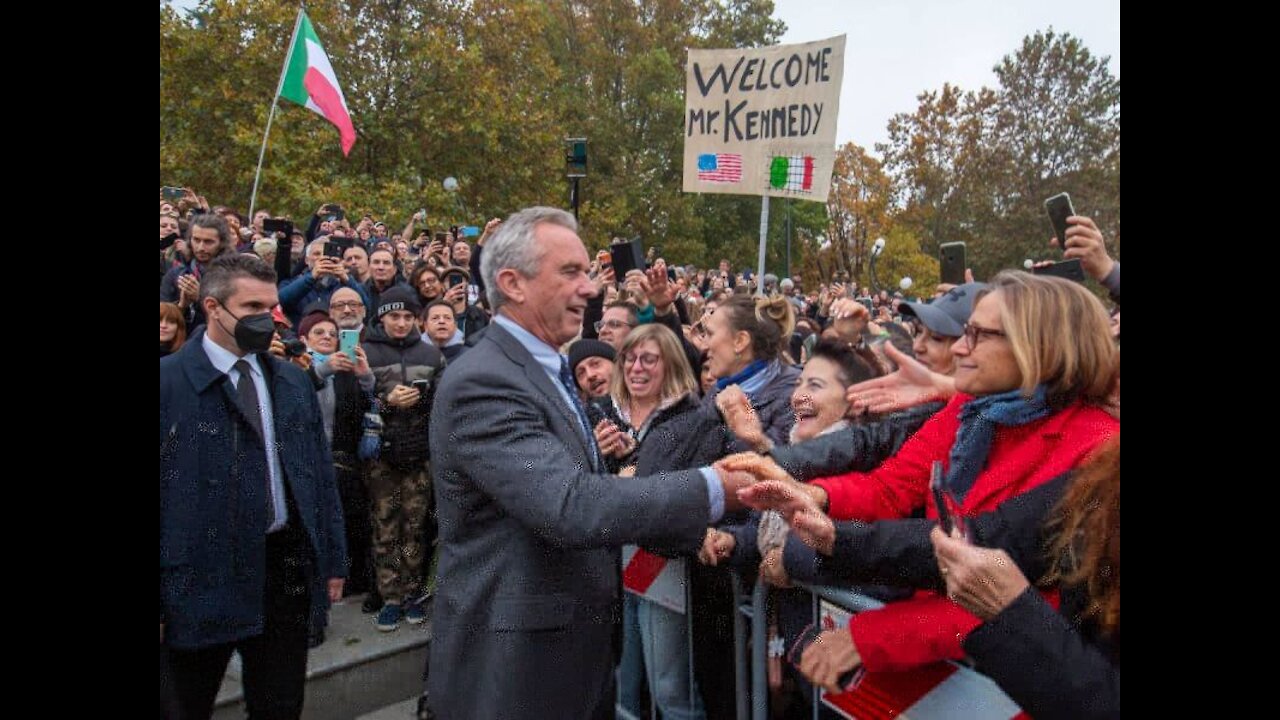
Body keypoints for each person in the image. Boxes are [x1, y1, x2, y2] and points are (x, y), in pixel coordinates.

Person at [426, 207, 753, 719]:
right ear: (512, 283)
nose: (590, 288)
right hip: (517, 672)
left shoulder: (546, 368)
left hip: (570, 655)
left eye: (588, 272)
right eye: (571, 272)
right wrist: (713, 487)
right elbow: (569, 504)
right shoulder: (483, 381)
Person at [160, 254, 347, 720]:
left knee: (280, 705)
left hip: (283, 571)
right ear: (212, 308)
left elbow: (318, 476)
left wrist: (332, 557)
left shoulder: (289, 380)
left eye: (272, 306)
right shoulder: (168, 385)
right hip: (198, 579)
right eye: (251, 308)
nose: (267, 319)